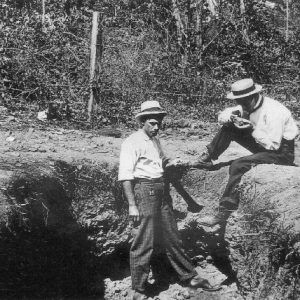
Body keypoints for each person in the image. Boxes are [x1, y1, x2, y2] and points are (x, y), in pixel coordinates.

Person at [118, 100, 218, 300]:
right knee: (144, 240)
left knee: (172, 234)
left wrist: (172, 162)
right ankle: (138, 289)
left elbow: (161, 161)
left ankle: (189, 276)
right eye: (152, 123)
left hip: (161, 189)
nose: (157, 127)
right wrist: (131, 205)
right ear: (143, 122)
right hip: (144, 189)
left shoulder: (154, 140)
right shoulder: (132, 142)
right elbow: (125, 176)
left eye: (159, 123)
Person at [185, 78, 299, 227]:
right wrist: (232, 117)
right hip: (262, 143)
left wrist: (251, 129)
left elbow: (273, 145)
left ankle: (224, 211)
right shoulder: (246, 104)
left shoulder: (274, 111)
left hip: (280, 152)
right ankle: (207, 157)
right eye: (238, 101)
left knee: (238, 165)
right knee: (229, 128)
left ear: (254, 96)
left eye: (244, 102)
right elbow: (223, 117)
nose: (241, 105)